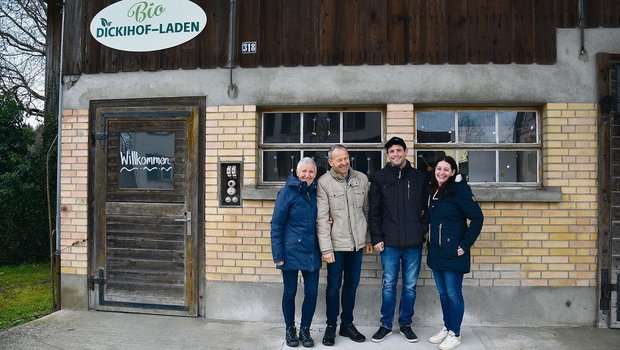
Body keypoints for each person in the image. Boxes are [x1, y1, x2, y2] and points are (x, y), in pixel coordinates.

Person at [368, 136, 428, 343]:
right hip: (389, 243)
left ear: (405, 152)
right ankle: (385, 324)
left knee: (410, 286)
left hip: (413, 243)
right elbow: (374, 211)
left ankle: (405, 324)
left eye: (398, 150)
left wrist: (421, 230)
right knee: (389, 285)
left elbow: (426, 209)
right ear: (388, 154)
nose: (395, 154)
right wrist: (376, 237)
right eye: (391, 151)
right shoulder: (380, 177)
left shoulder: (419, 177)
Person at [316, 144, 371, 346]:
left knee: (351, 286)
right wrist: (326, 249)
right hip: (336, 246)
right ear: (330, 162)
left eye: (346, 158)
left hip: (357, 245)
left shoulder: (362, 179)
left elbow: (367, 210)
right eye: (339, 159)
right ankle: (331, 326)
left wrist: (369, 239)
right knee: (333, 288)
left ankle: (347, 325)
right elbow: (322, 219)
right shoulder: (324, 183)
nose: (344, 162)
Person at [426, 156, 483, 350]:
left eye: (446, 169)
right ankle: (447, 327)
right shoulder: (435, 191)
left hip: (453, 252)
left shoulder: (460, 190)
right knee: (443, 293)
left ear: (453, 172)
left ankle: (455, 333)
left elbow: (477, 218)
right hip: (436, 251)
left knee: (453, 294)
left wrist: (465, 244)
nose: (441, 172)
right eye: (438, 168)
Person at [271, 157, 322, 348]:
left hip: (312, 251)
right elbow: (277, 225)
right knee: (289, 292)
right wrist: (278, 255)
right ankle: (290, 329)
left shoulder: (318, 193)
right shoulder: (286, 193)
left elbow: (323, 216)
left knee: (311, 293)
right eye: (304, 172)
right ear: (297, 172)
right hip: (290, 251)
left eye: (311, 172)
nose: (307, 175)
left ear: (315, 174)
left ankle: (305, 330)